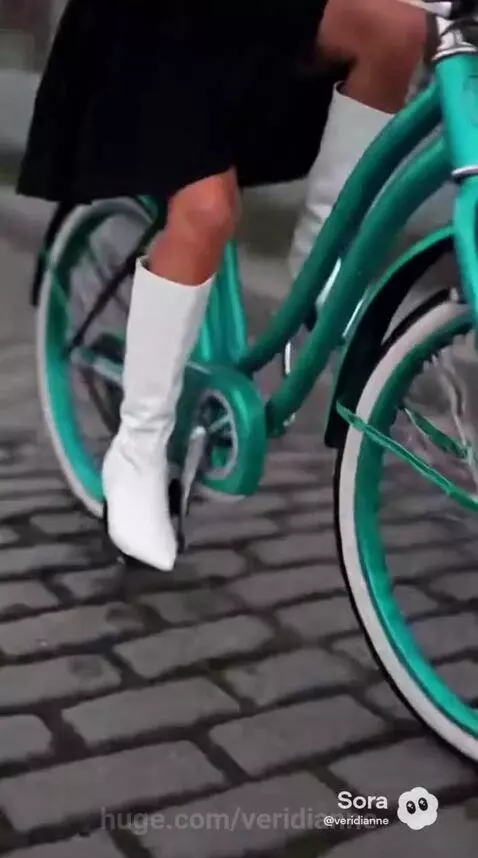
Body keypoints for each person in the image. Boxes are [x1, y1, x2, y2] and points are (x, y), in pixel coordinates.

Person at [18, 0, 426, 572]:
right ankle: (139, 446)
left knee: (398, 29)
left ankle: (324, 257)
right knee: (207, 210)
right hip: (157, 31)